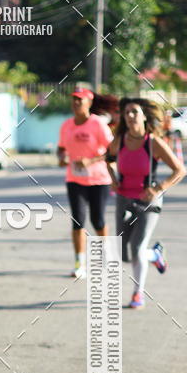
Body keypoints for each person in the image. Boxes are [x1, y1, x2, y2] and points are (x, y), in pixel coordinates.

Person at [107, 97, 185, 309]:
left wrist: (158, 189)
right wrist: (113, 181)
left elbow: (180, 170)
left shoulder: (153, 143)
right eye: (127, 113)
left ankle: (137, 294)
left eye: (134, 112)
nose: (130, 116)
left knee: (137, 246)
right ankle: (155, 254)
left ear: (143, 117)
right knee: (125, 252)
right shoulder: (120, 140)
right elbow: (108, 159)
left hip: (148, 202)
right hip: (124, 198)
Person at [57, 88, 114, 279]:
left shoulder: (97, 124)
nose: (76, 103)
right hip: (75, 179)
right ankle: (79, 262)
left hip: (99, 179)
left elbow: (111, 150)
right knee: (78, 221)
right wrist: (62, 157)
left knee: (98, 220)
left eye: (80, 100)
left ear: (89, 103)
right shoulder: (66, 125)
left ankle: (104, 255)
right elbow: (61, 148)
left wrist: (90, 161)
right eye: (74, 100)